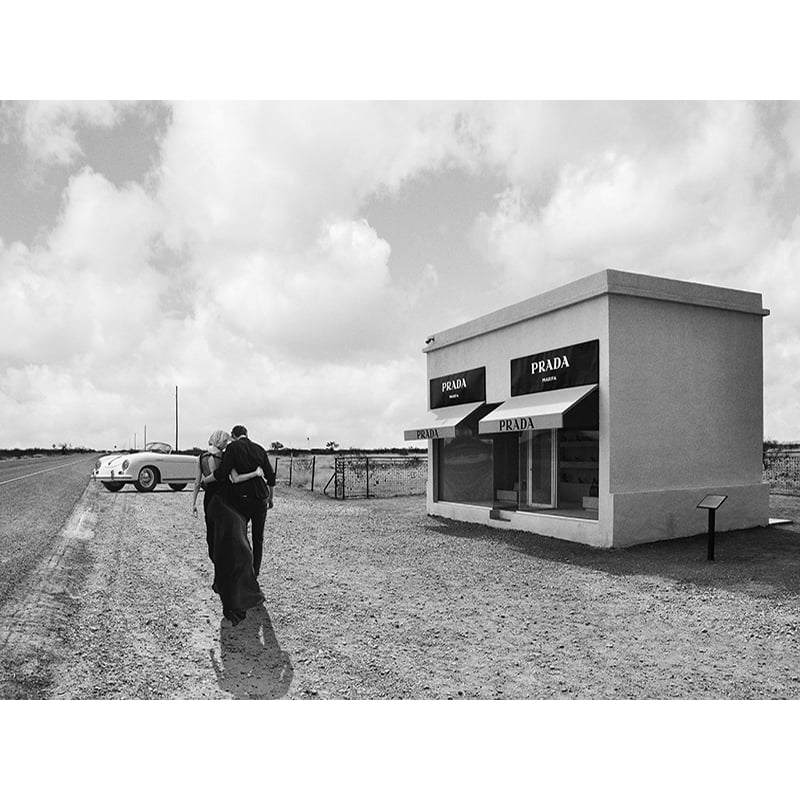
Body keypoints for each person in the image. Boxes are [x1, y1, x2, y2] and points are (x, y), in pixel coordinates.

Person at [192, 430, 265, 626]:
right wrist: (256, 473)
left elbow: (198, 483)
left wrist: (193, 504)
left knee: (216, 547)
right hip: (226, 505)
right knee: (237, 551)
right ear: (224, 442)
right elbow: (235, 479)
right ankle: (240, 594)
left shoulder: (200, 457)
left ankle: (223, 585)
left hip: (210, 505)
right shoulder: (225, 456)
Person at [211, 424, 275, 579]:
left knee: (241, 534)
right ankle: (255, 572)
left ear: (233, 435)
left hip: (242, 497)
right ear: (246, 434)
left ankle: (243, 569)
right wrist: (270, 498)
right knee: (258, 537)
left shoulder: (233, 448)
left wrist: (210, 477)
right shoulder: (259, 449)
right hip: (261, 497)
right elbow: (270, 476)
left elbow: (224, 472)